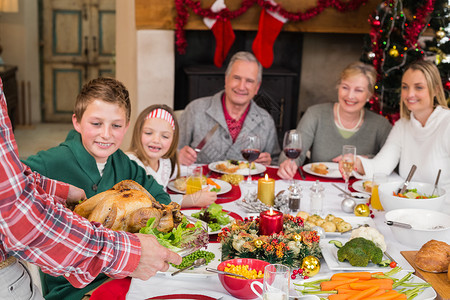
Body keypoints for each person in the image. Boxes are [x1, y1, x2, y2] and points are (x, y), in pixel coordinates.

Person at [0, 78, 181, 300]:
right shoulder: (50, 162)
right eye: (96, 124)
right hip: (73, 288)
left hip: (124, 273)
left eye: (116, 125)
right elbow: (14, 184)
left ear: (126, 125)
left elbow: (159, 199)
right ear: (76, 122)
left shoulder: (125, 164)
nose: (106, 134)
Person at [277, 62, 392, 180]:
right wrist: (288, 164)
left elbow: (392, 163)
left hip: (360, 193)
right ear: (338, 88)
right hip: (318, 188)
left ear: (369, 95)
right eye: (345, 87)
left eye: (358, 90)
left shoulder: (381, 125)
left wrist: (364, 161)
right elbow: (295, 153)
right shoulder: (315, 114)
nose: (350, 96)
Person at [354, 60, 450, 193]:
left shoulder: (447, 123)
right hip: (407, 207)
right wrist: (356, 163)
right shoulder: (402, 126)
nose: (409, 94)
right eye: (405, 87)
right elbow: (381, 167)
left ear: (435, 90)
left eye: (419, 87)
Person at [178, 51, 280, 166]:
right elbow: (169, 152)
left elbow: (275, 163)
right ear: (226, 80)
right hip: (200, 182)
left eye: (249, 81)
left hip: (245, 184)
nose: (241, 87)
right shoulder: (195, 110)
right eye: (236, 78)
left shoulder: (266, 121)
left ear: (257, 87)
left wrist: (268, 162)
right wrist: (178, 156)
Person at [127, 104, 217, 207]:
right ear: (138, 133)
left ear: (173, 140)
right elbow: (151, 201)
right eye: (148, 133)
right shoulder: (130, 164)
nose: (156, 140)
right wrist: (191, 200)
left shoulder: (165, 162)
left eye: (165, 136)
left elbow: (182, 174)